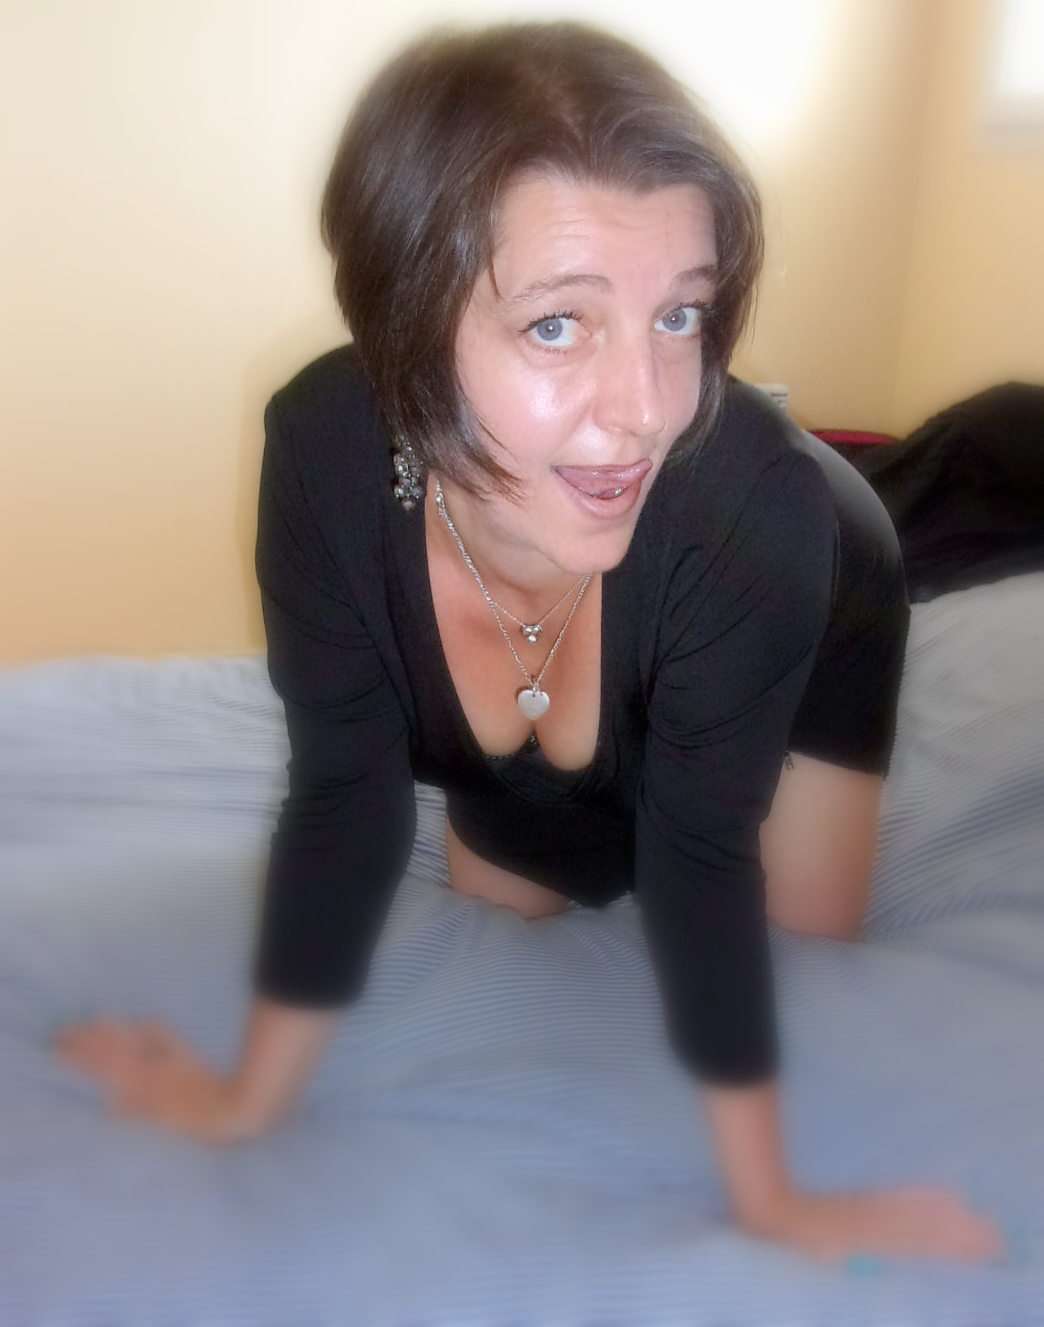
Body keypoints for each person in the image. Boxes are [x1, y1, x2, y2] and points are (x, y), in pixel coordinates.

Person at [54, 20, 1005, 1267]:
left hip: (821, 588)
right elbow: (343, 801)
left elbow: (701, 860)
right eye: (558, 325)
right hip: (615, 589)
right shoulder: (324, 452)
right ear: (407, 330)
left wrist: (771, 1199)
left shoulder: (752, 511)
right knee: (509, 906)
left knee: (802, 953)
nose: (645, 411)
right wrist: (247, 1105)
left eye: (680, 315)